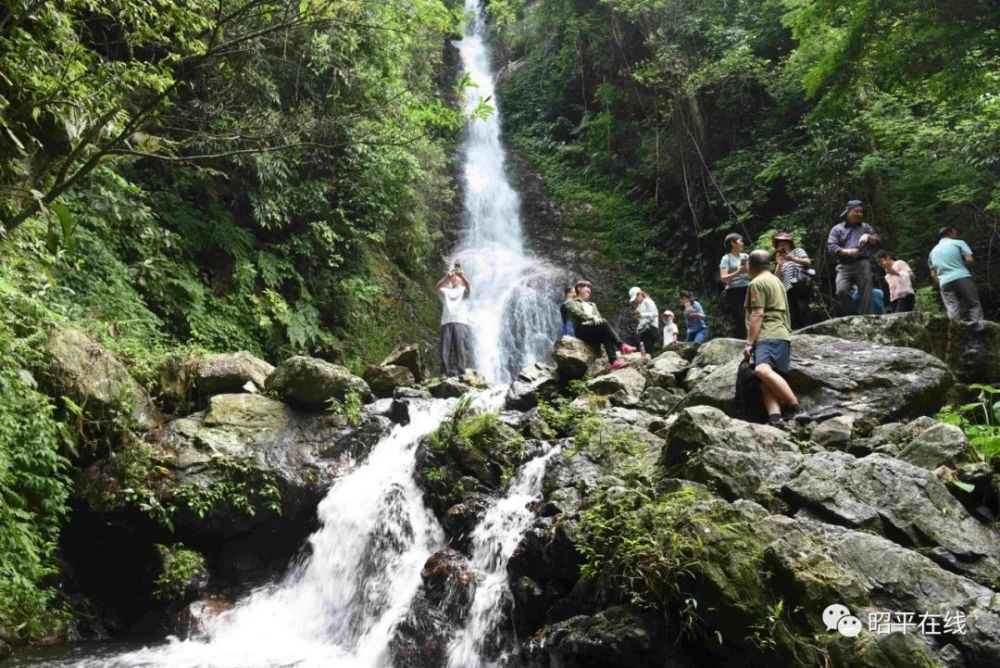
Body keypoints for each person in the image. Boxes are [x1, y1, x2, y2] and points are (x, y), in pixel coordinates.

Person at [743, 249, 801, 427]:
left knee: (761, 370)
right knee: (766, 381)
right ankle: (775, 417)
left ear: (750, 265)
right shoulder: (776, 280)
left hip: (769, 332)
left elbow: (758, 314)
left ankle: (796, 407)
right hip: (781, 333)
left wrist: (749, 343)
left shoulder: (757, 283)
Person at [565, 279, 636, 368]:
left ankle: (614, 361)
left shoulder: (592, 305)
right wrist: (592, 317)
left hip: (593, 330)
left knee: (605, 334)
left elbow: (599, 316)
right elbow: (577, 313)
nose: (589, 290)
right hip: (581, 329)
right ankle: (621, 345)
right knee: (604, 324)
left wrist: (597, 318)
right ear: (579, 288)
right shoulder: (571, 303)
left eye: (589, 288)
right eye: (586, 287)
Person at [827, 199, 880, 316]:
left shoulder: (865, 227)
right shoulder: (837, 229)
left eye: (861, 212)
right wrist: (847, 251)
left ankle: (868, 317)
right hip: (843, 265)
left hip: (862, 263)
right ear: (848, 212)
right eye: (856, 211)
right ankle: (853, 316)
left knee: (866, 293)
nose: (860, 214)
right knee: (841, 290)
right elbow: (831, 246)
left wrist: (868, 237)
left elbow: (877, 241)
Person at [929, 225, 983, 321]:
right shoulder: (958, 243)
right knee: (973, 303)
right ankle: (978, 329)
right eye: (954, 232)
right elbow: (970, 260)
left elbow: (933, 274)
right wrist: (962, 265)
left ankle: (955, 331)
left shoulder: (932, 252)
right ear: (949, 233)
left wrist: (941, 283)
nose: (956, 233)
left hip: (944, 282)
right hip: (961, 276)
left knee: (952, 308)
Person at [436, 265, 471, 376]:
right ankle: (443, 372)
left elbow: (469, 287)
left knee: (459, 348)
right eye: (453, 278)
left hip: (460, 321)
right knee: (444, 348)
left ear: (460, 280)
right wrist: (446, 277)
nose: (454, 278)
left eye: (457, 277)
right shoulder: (446, 291)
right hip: (446, 321)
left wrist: (462, 276)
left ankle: (461, 372)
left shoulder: (463, 290)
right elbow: (436, 288)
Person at [772, 231, 812, 329]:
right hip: (787, 288)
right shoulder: (779, 258)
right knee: (793, 312)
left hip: (800, 284)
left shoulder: (797, 251)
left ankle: (808, 330)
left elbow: (808, 262)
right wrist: (780, 264)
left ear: (789, 242)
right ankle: (799, 332)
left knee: (803, 308)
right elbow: (776, 278)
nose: (782, 245)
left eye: (784, 242)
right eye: (779, 243)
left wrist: (792, 258)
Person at [719, 233, 750, 338]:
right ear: (733, 243)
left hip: (748, 287)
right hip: (733, 290)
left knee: (753, 312)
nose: (742, 243)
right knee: (738, 316)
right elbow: (723, 278)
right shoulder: (726, 258)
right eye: (740, 241)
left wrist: (749, 270)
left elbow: (753, 273)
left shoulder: (745, 256)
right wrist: (738, 272)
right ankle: (741, 340)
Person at [629, 286, 659, 354]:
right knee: (644, 350)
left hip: (651, 329)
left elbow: (655, 314)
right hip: (644, 330)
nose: (635, 301)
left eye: (635, 298)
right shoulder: (640, 304)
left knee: (649, 351)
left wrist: (642, 315)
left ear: (639, 294)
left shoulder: (647, 301)